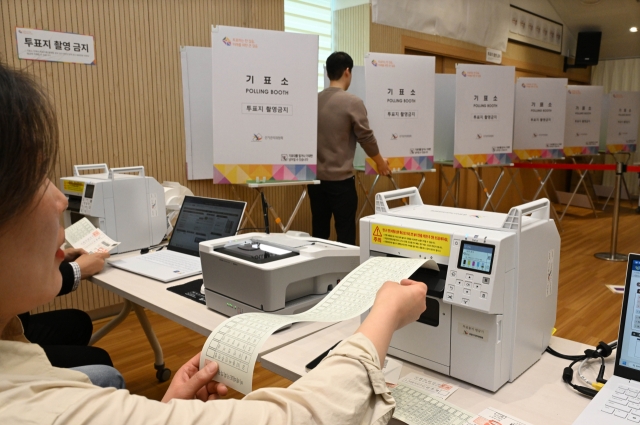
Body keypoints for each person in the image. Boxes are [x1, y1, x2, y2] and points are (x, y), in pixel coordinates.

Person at [0, 61, 427, 424]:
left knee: (327, 236)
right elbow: (302, 416)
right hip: (343, 190)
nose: (59, 199)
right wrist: (383, 317)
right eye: (34, 179)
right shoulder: (37, 408)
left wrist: (166, 411)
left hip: (318, 186)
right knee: (344, 235)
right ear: (348, 73)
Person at [310, 51, 391, 245]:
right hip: (341, 182)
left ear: (328, 73)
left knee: (319, 232)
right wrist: (381, 163)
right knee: (345, 234)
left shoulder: (313, 101)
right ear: (347, 71)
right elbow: (366, 137)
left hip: (315, 181)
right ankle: (344, 275)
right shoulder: (352, 102)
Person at [18, 248, 113, 369]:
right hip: (4, 347)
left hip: (14, 325)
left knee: (78, 322)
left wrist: (53, 258)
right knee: (99, 360)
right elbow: (18, 286)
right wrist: (76, 269)